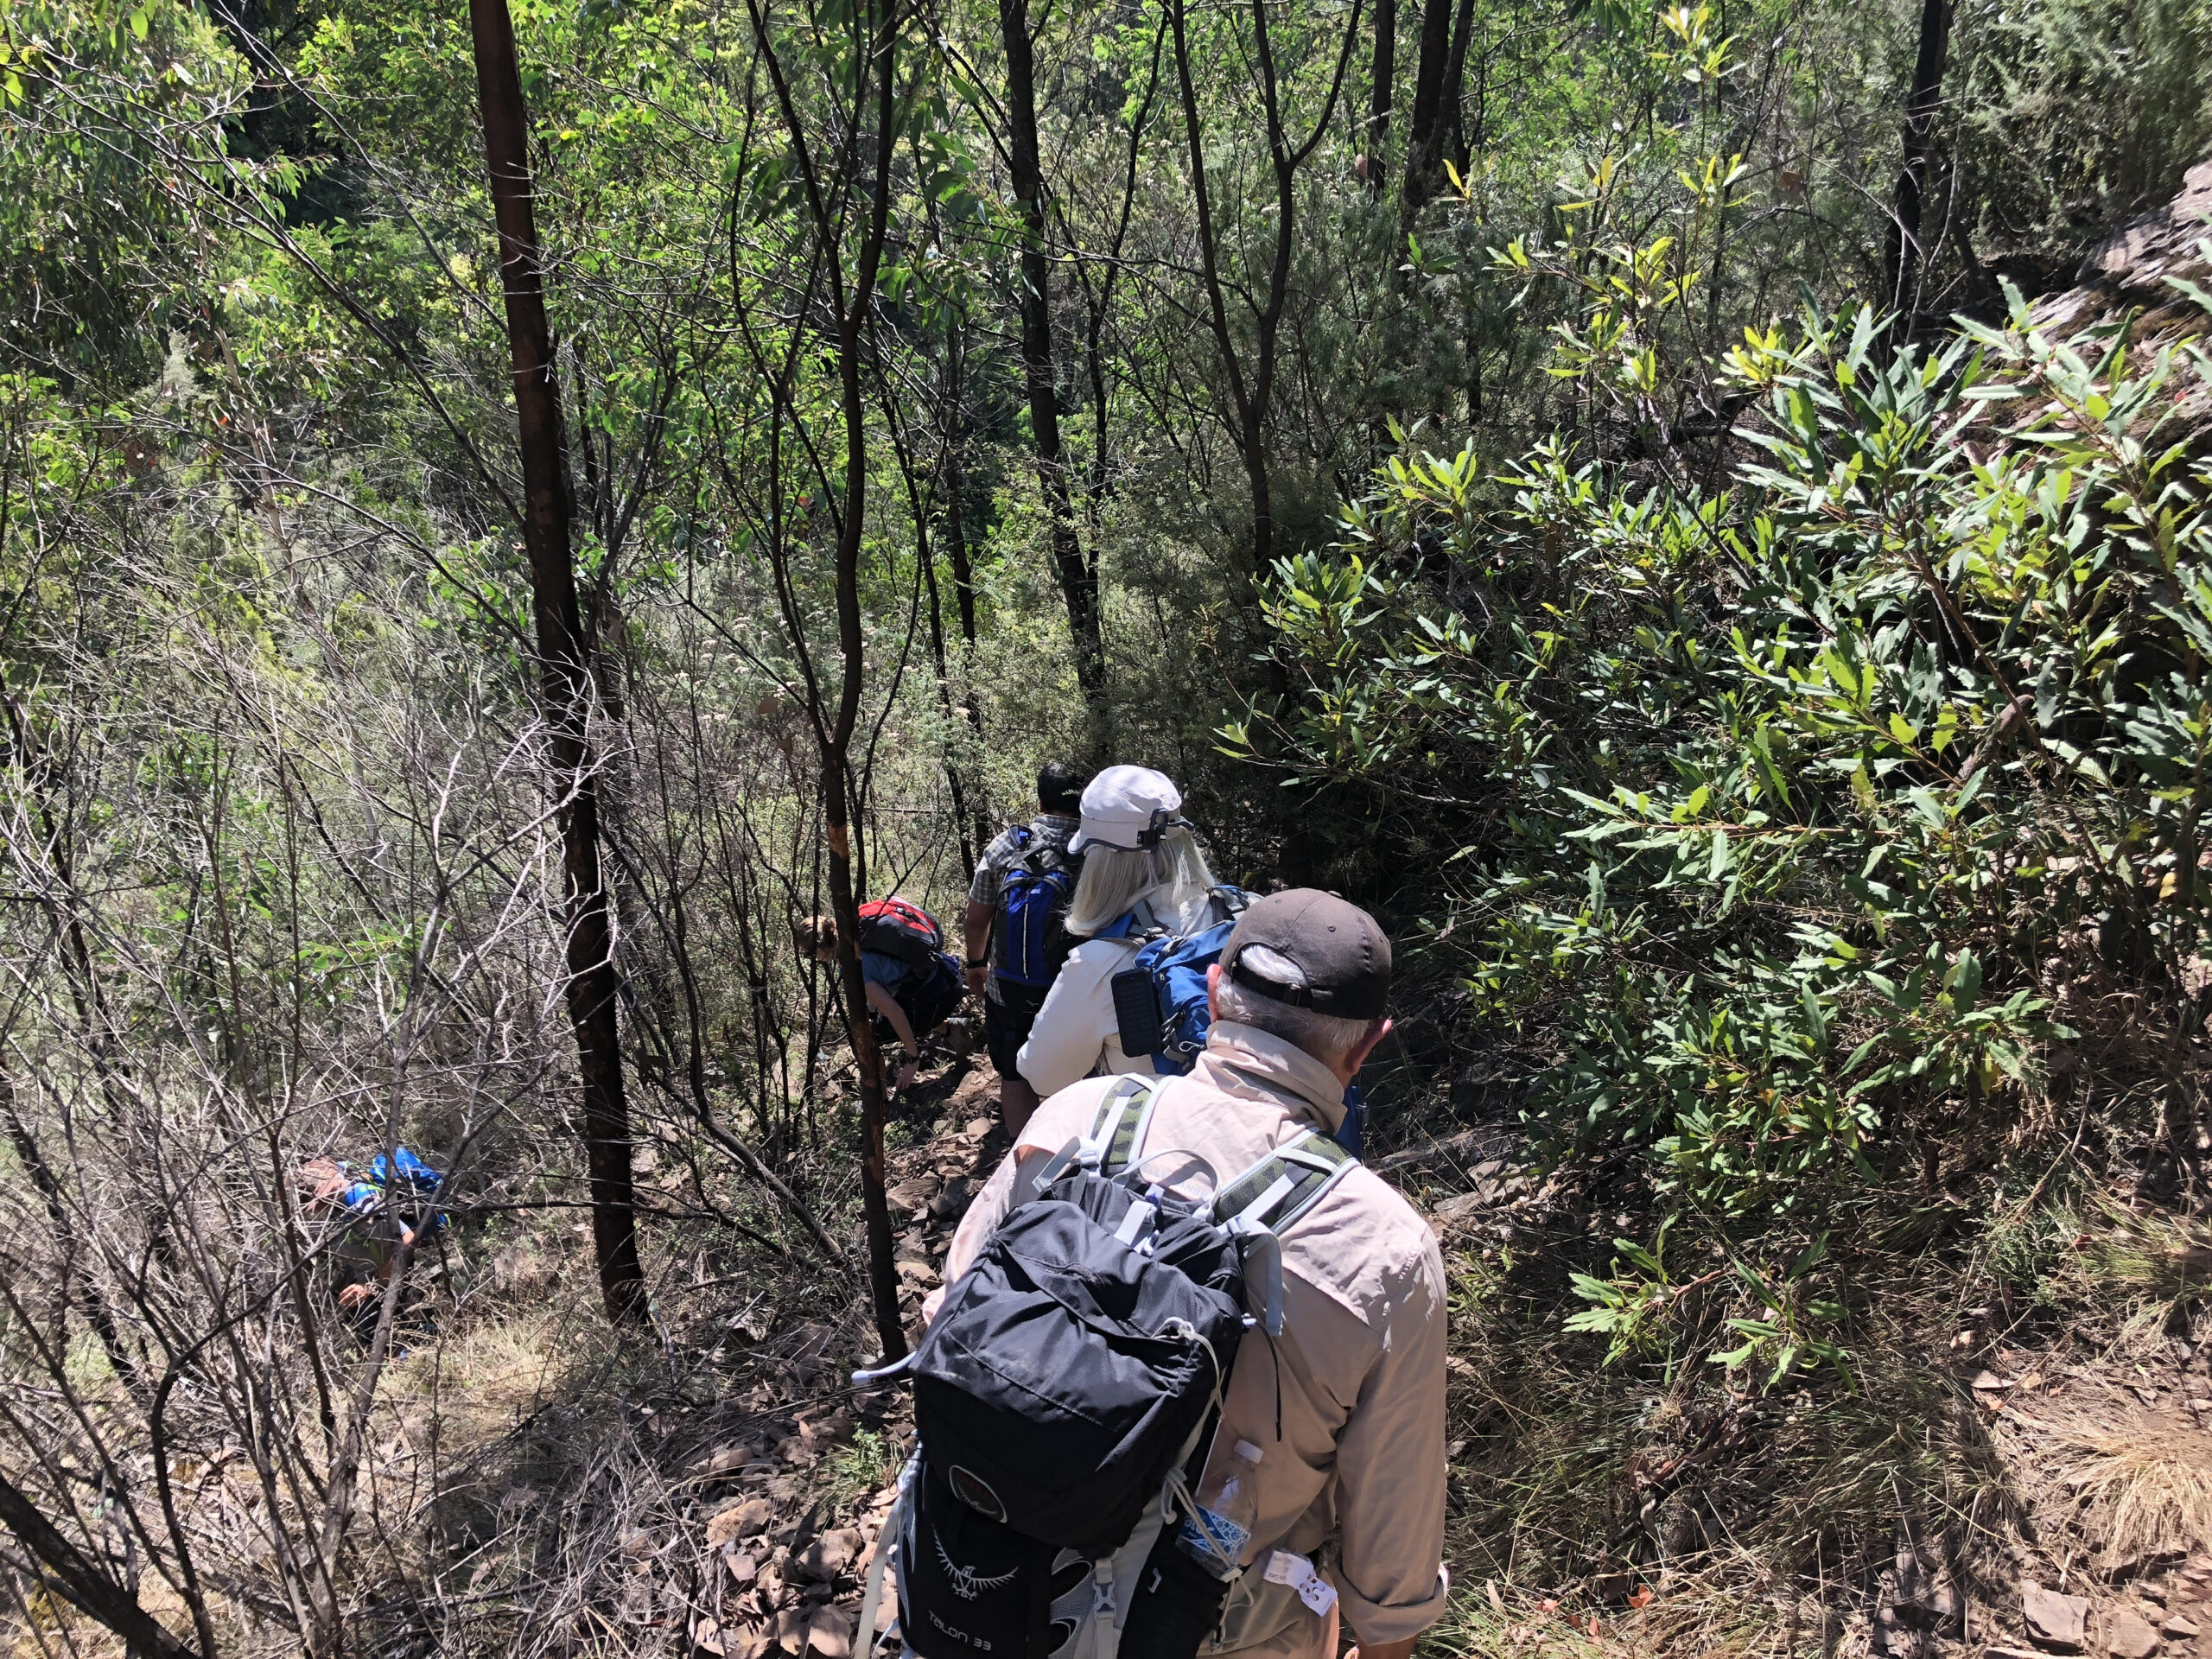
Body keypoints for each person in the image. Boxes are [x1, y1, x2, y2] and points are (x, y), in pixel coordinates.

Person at [927, 890, 1447, 1659]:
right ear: (1367, 1046)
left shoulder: (1078, 1117)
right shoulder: (1385, 1249)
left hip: (984, 1596)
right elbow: (1390, 1562)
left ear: (1212, 993)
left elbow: (949, 1320)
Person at [1014, 764, 1229, 1097]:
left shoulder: (1098, 963)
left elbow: (1043, 1076)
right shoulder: (1246, 912)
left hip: (1165, 1141)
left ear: (1102, 861)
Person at [963, 760, 1087, 1136]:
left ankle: (1024, 1157)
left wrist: (975, 964)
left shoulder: (1007, 845)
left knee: (1014, 1074)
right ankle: (1070, 1152)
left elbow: (976, 918)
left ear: (1041, 801)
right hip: (1074, 989)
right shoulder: (1098, 850)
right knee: (1078, 1074)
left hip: (1009, 986)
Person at [803, 906, 962, 1096]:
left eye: (809, 954)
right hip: (944, 972)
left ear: (820, 948)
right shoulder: (858, 928)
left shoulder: (854, 968)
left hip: (938, 993)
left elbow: (895, 1012)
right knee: (882, 1022)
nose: (814, 959)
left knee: (873, 1039)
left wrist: (913, 1058)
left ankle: (881, 1099)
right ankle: (953, 1029)